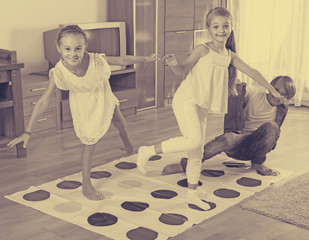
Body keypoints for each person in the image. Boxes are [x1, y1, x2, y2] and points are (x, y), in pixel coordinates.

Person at [136, 7, 288, 210]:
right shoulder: (202, 49)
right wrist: (173, 64)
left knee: (196, 151)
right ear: (208, 29)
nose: (221, 30)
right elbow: (182, 70)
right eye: (216, 26)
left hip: (202, 106)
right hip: (186, 100)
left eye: (225, 26)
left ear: (231, 27)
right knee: (194, 140)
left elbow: (253, 72)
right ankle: (148, 150)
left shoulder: (229, 56)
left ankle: (192, 194)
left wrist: (272, 90)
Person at [7, 25, 159, 200]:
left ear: (85, 46)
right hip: (83, 103)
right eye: (67, 49)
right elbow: (43, 101)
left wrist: (146, 58)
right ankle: (86, 184)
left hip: (102, 93)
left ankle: (127, 144)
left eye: (78, 48)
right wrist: (28, 131)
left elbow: (123, 60)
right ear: (58, 48)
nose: (73, 54)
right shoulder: (58, 73)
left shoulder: (96, 60)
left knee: (118, 118)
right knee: (89, 141)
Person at [162, 75, 296, 176]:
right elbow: (237, 91)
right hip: (237, 141)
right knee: (227, 138)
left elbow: (273, 136)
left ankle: (258, 162)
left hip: (255, 147)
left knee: (273, 127)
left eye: (284, 94)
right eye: (276, 90)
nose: (278, 96)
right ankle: (188, 164)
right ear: (269, 87)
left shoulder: (282, 109)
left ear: (288, 98)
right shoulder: (255, 93)